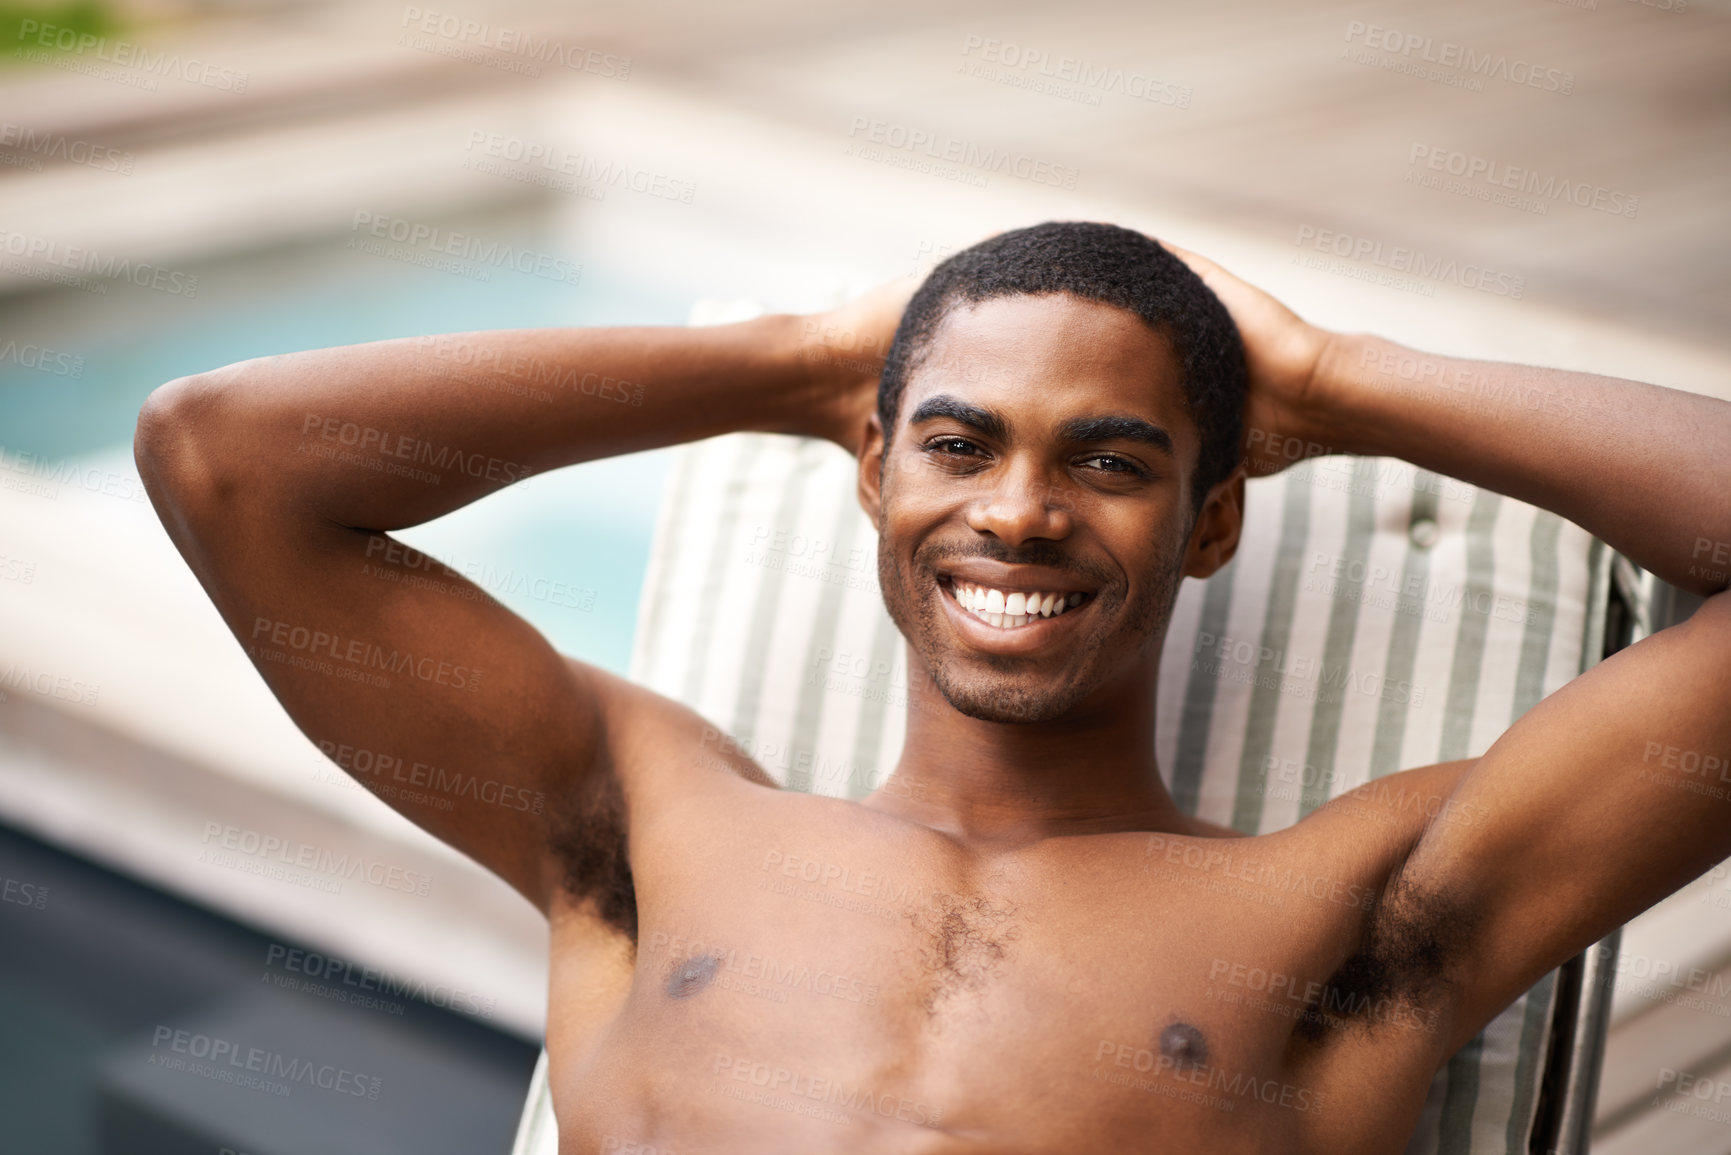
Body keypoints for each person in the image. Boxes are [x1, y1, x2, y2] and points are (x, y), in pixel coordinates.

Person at [134, 222, 1731, 1153]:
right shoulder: (646, 825)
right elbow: (225, 457)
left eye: (1111, 461)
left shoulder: (1352, 915)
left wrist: (1326, 379)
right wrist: (817, 362)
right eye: (957, 444)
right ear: (873, 477)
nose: (1021, 512)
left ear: (1213, 522)